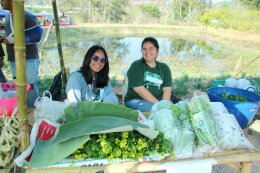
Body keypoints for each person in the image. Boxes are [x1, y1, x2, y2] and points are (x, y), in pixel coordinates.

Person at [0, 0, 43, 107]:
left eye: (3, 0)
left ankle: (33, 112)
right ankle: (25, 112)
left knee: (30, 87)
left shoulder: (26, 16)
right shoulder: (8, 16)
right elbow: (13, 35)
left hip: (28, 58)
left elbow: (37, 35)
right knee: (20, 87)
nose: (1, 2)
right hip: (14, 58)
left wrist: (11, 40)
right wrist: (4, 39)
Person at [124, 37, 179, 112]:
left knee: (177, 106)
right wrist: (159, 105)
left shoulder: (164, 68)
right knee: (155, 110)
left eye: (151, 48)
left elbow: (167, 90)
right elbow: (139, 90)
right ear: (141, 51)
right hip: (136, 100)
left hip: (158, 99)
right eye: (144, 49)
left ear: (157, 50)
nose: (147, 52)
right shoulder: (136, 65)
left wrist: (164, 104)